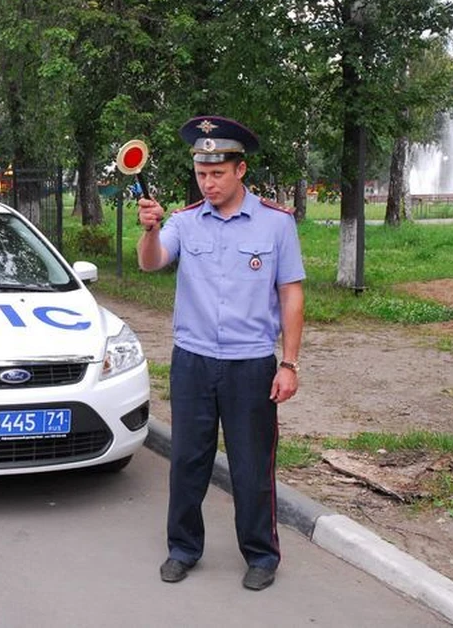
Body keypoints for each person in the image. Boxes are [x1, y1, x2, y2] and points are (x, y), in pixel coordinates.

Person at [136, 115, 305, 592]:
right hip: (192, 361)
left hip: (251, 363)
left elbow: (291, 294)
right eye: (200, 173)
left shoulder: (275, 224)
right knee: (189, 460)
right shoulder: (183, 222)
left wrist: (289, 363)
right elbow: (152, 263)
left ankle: (261, 555)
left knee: (252, 465)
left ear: (240, 170)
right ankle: (183, 549)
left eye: (216, 173)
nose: (207, 183)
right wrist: (149, 230)